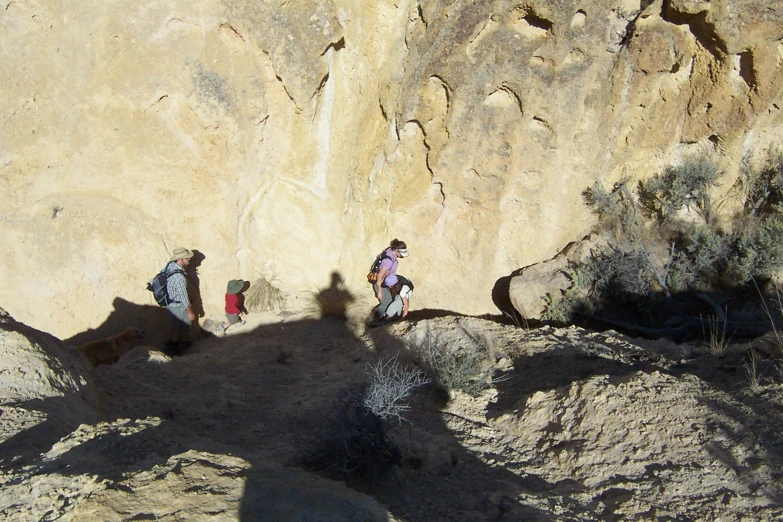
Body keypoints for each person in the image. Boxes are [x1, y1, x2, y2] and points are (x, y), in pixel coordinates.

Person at [367, 239, 409, 325]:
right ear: (396, 250)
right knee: (386, 303)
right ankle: (371, 320)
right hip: (381, 283)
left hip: (385, 282)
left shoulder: (389, 250)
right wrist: (379, 291)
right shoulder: (388, 261)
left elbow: (378, 256)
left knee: (390, 300)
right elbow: (380, 276)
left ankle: (382, 318)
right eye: (401, 254)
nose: (401, 256)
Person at [164, 247, 195, 354]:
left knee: (177, 326)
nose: (189, 260)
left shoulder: (170, 266)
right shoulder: (179, 277)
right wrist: (190, 312)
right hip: (177, 306)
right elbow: (183, 297)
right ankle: (172, 349)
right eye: (187, 258)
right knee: (182, 327)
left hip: (170, 303)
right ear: (181, 260)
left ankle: (176, 345)